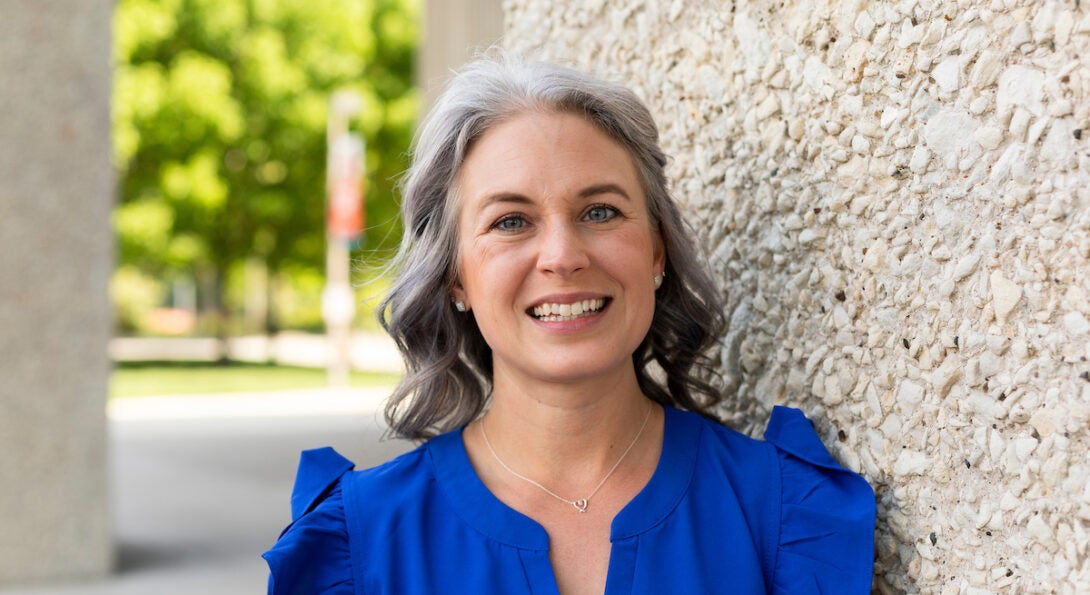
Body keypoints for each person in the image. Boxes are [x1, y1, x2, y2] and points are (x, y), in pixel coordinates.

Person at [263, 52, 875, 594]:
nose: (562, 255)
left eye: (600, 211)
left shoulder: (783, 512)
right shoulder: (360, 541)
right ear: (455, 276)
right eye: (510, 221)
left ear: (657, 251)